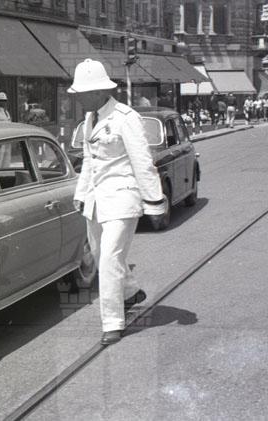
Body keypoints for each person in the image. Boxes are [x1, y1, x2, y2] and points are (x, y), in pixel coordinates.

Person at [69, 59, 164, 346]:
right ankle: (130, 292)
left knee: (110, 258)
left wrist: (154, 202)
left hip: (123, 197)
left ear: (99, 92)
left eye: (82, 93)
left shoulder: (125, 117)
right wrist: (81, 194)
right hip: (97, 200)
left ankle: (112, 322)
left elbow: (142, 161)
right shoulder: (90, 119)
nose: (78, 98)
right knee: (102, 256)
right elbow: (89, 161)